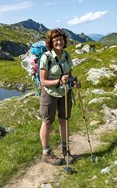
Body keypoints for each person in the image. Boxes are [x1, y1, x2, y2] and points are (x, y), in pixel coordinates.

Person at [38, 29, 82, 165]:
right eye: (55, 40)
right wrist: (58, 81)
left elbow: (69, 73)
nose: (59, 42)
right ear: (51, 42)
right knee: (47, 122)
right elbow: (43, 81)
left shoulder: (67, 55)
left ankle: (66, 150)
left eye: (61, 39)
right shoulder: (46, 57)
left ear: (64, 41)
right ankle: (46, 153)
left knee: (64, 120)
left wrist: (74, 81)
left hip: (65, 92)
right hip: (49, 93)